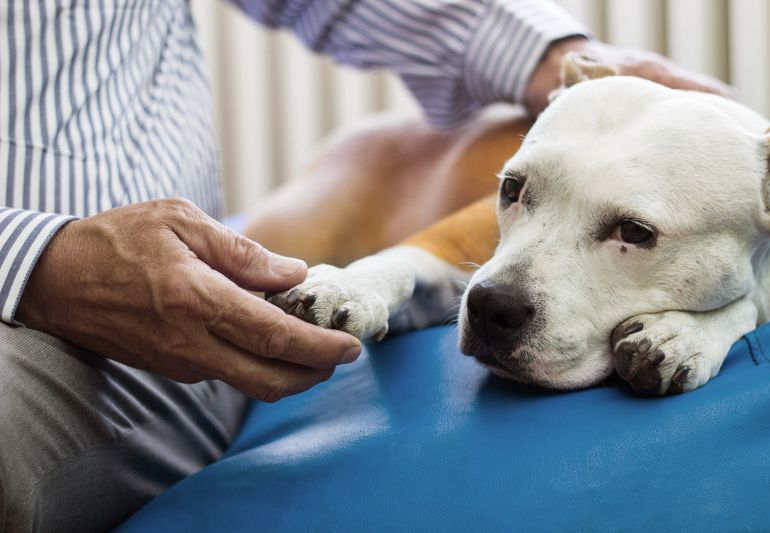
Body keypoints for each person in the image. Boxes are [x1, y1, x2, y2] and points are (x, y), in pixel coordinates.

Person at [0, 1, 732, 530]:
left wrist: (530, 49)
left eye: (632, 230)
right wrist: (34, 257)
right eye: (518, 193)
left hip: (123, 318)